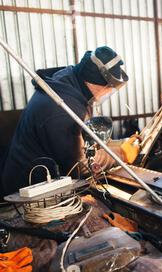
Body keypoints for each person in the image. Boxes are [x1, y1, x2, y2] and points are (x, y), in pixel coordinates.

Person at [0, 46, 139, 197]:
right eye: (109, 88)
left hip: (37, 175)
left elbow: (83, 138)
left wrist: (117, 144)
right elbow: (81, 167)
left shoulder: (69, 81)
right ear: (96, 82)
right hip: (29, 193)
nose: (108, 92)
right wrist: (121, 154)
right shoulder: (62, 109)